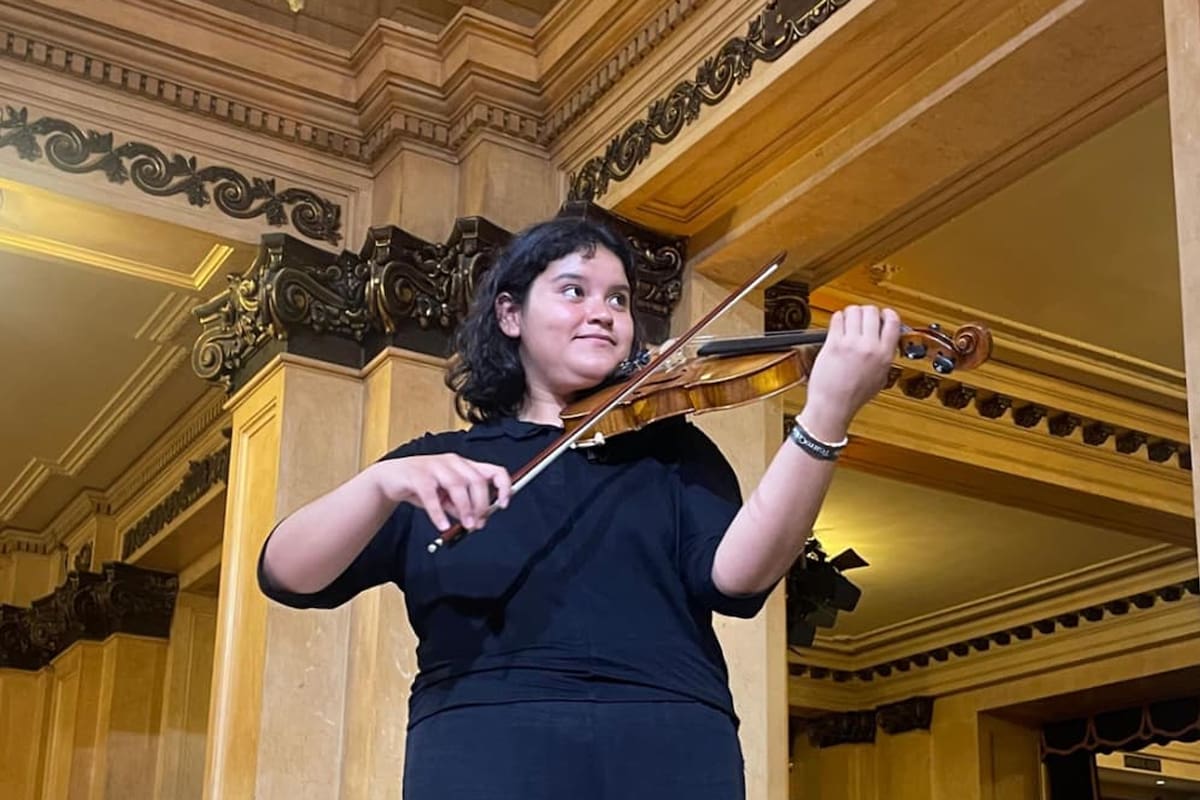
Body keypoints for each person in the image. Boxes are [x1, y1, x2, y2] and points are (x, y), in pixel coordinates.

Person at [256, 216, 900, 799]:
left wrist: (825, 416)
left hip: (669, 744)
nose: (604, 312)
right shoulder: (438, 465)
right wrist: (381, 483)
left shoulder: (673, 449)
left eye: (617, 299)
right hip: (487, 750)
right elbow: (286, 574)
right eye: (574, 291)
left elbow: (740, 578)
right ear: (511, 315)